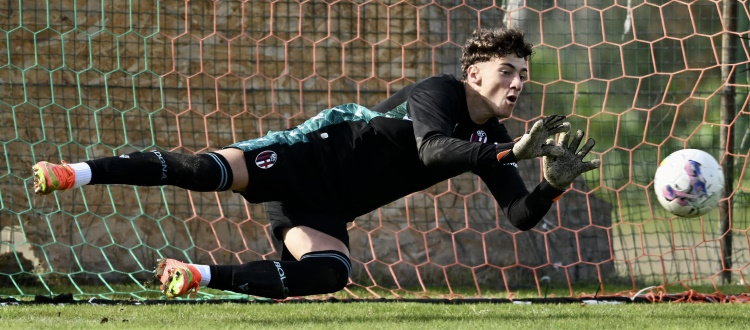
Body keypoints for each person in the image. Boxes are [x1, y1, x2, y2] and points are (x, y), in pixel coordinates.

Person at [32, 27, 600, 299]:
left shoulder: (495, 136)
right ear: (475, 74)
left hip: (325, 205)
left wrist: (548, 184)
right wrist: (510, 151)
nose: (518, 82)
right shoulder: (440, 92)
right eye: (508, 70)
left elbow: (520, 215)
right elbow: (432, 149)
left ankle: (196, 275)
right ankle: (73, 172)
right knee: (203, 173)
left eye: (524, 74)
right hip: (305, 157)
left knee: (329, 273)